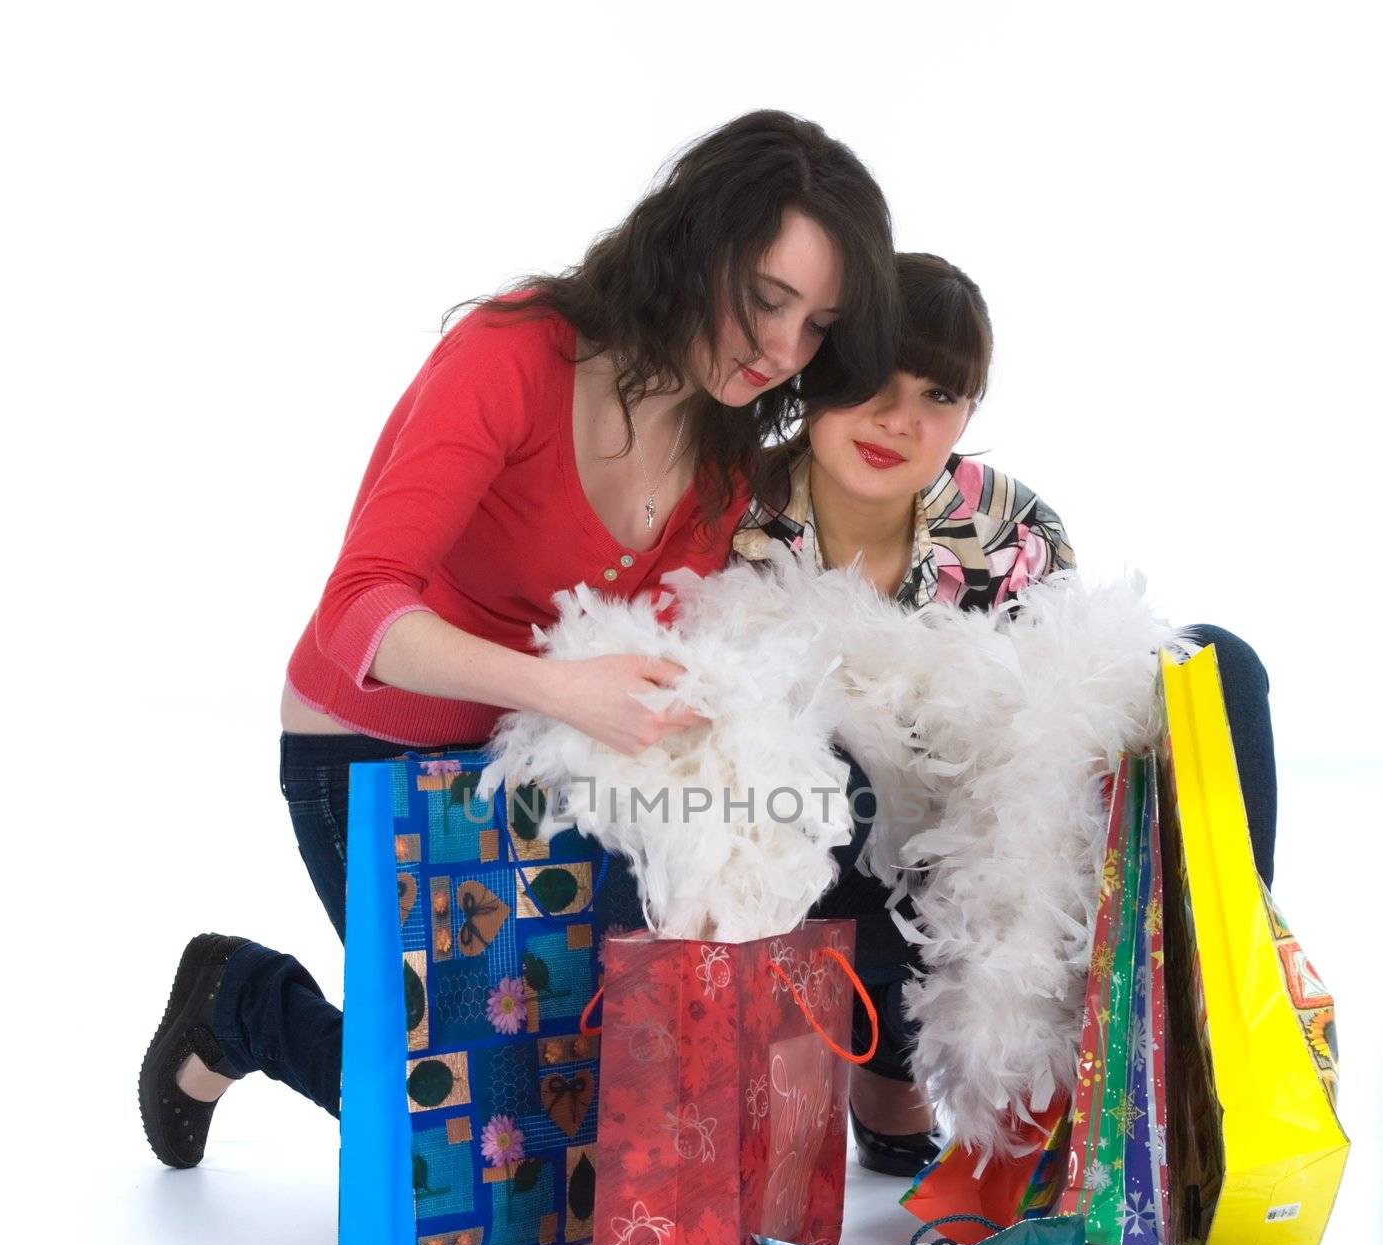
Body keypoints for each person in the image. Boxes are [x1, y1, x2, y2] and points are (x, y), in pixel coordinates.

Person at [139, 110, 903, 1169]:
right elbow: (358, 609)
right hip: (366, 753)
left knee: (572, 1118)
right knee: (471, 1137)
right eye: (766, 299)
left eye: (815, 325)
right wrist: (563, 690)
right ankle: (241, 1002)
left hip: (534, 767)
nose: (781, 349)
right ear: (691, 244)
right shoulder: (515, 354)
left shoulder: (730, 445)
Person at [734, 252, 1278, 1174]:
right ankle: (885, 1064)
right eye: (872, 381)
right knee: (832, 773)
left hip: (990, 835)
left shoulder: (1010, 524)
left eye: (940, 396)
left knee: (1217, 665)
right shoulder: (729, 513)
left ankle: (1207, 1021)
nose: (900, 421)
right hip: (813, 838)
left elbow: (1055, 727)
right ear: (815, 372)